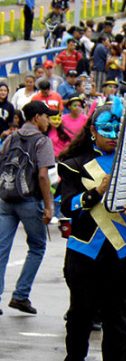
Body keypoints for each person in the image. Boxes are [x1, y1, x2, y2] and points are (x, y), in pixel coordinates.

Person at [58, 99, 126, 360]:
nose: (112, 136)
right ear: (92, 131)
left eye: (117, 129)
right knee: (80, 316)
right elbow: (67, 206)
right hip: (85, 253)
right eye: (105, 130)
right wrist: (96, 192)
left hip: (124, 253)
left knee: (119, 320)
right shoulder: (73, 164)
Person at [0, 101, 57, 316]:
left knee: (2, 249)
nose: (49, 121)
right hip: (28, 200)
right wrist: (49, 206)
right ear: (36, 118)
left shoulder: (11, 137)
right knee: (37, 246)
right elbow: (43, 176)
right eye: (46, 116)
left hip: (6, 198)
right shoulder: (42, 141)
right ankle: (21, 295)